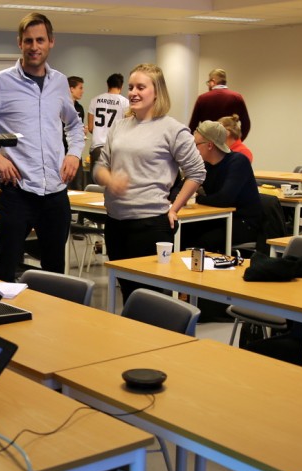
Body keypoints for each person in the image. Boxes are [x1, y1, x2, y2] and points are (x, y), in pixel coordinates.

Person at [0, 12, 84, 281]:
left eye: (40, 40)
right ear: (19, 43)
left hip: (55, 193)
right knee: (5, 270)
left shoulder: (60, 83)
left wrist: (74, 154)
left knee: (55, 274)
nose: (34, 46)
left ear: (51, 42)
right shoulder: (0, 84)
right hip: (18, 192)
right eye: (28, 41)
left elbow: (74, 125)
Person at [94, 63, 206, 300]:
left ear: (157, 92)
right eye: (131, 87)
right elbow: (101, 166)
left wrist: (174, 209)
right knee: (127, 293)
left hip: (150, 224)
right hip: (115, 222)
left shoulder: (173, 130)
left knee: (147, 297)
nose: (133, 92)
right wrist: (109, 179)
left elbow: (197, 172)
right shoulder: (119, 127)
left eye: (141, 87)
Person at [186, 120, 261, 250]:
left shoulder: (238, 162)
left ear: (210, 145)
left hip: (244, 222)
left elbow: (224, 199)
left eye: (195, 145)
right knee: (183, 231)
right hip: (219, 218)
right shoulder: (205, 165)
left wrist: (197, 198)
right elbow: (181, 189)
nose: (193, 149)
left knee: (203, 240)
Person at [188, 68, 251, 142]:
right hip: (229, 143)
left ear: (213, 82)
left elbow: (193, 126)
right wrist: (237, 141)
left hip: (208, 144)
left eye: (208, 82)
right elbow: (246, 124)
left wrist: (198, 143)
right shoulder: (237, 98)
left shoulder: (202, 99)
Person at [87, 73, 129, 173]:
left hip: (97, 148)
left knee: (96, 182)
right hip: (116, 148)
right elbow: (128, 127)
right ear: (121, 86)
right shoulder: (125, 103)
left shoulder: (94, 101)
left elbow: (91, 128)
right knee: (113, 181)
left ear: (108, 84)